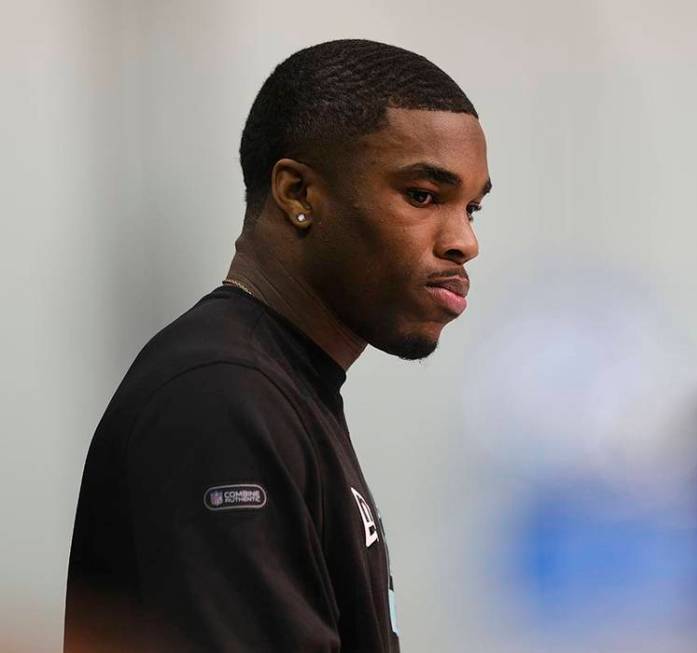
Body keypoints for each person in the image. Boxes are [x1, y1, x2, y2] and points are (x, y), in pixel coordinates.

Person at [65, 39, 491, 652]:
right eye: (423, 196)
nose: (464, 242)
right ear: (297, 194)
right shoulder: (219, 397)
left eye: (472, 207)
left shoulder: (279, 385)